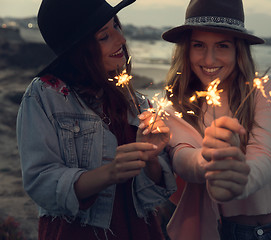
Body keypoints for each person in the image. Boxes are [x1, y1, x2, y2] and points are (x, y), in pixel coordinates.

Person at [161, 0, 271, 239]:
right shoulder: (174, 106)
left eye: (222, 46)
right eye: (199, 45)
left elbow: (265, 155)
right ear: (186, 49)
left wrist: (240, 179)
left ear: (238, 50)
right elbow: (182, 156)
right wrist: (206, 160)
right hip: (232, 233)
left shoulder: (268, 91)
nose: (209, 60)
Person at [16, 0, 176, 239]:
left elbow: (152, 196)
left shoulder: (135, 99)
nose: (121, 40)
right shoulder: (44, 95)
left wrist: (151, 159)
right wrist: (109, 173)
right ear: (78, 49)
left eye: (116, 27)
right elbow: (41, 183)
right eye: (104, 36)